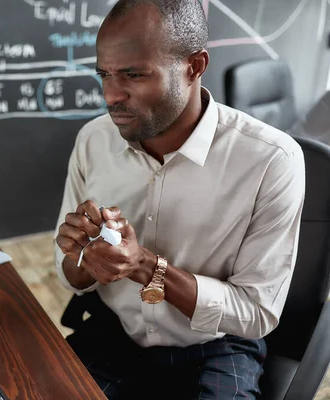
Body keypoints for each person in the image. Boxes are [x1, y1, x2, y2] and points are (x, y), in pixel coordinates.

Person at [54, 0, 305, 399]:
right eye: (104, 74)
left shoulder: (271, 161)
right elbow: (71, 275)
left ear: (194, 66)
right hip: (115, 332)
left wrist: (144, 265)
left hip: (215, 346)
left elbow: (256, 314)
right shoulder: (93, 140)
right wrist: (86, 258)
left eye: (133, 75)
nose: (111, 95)